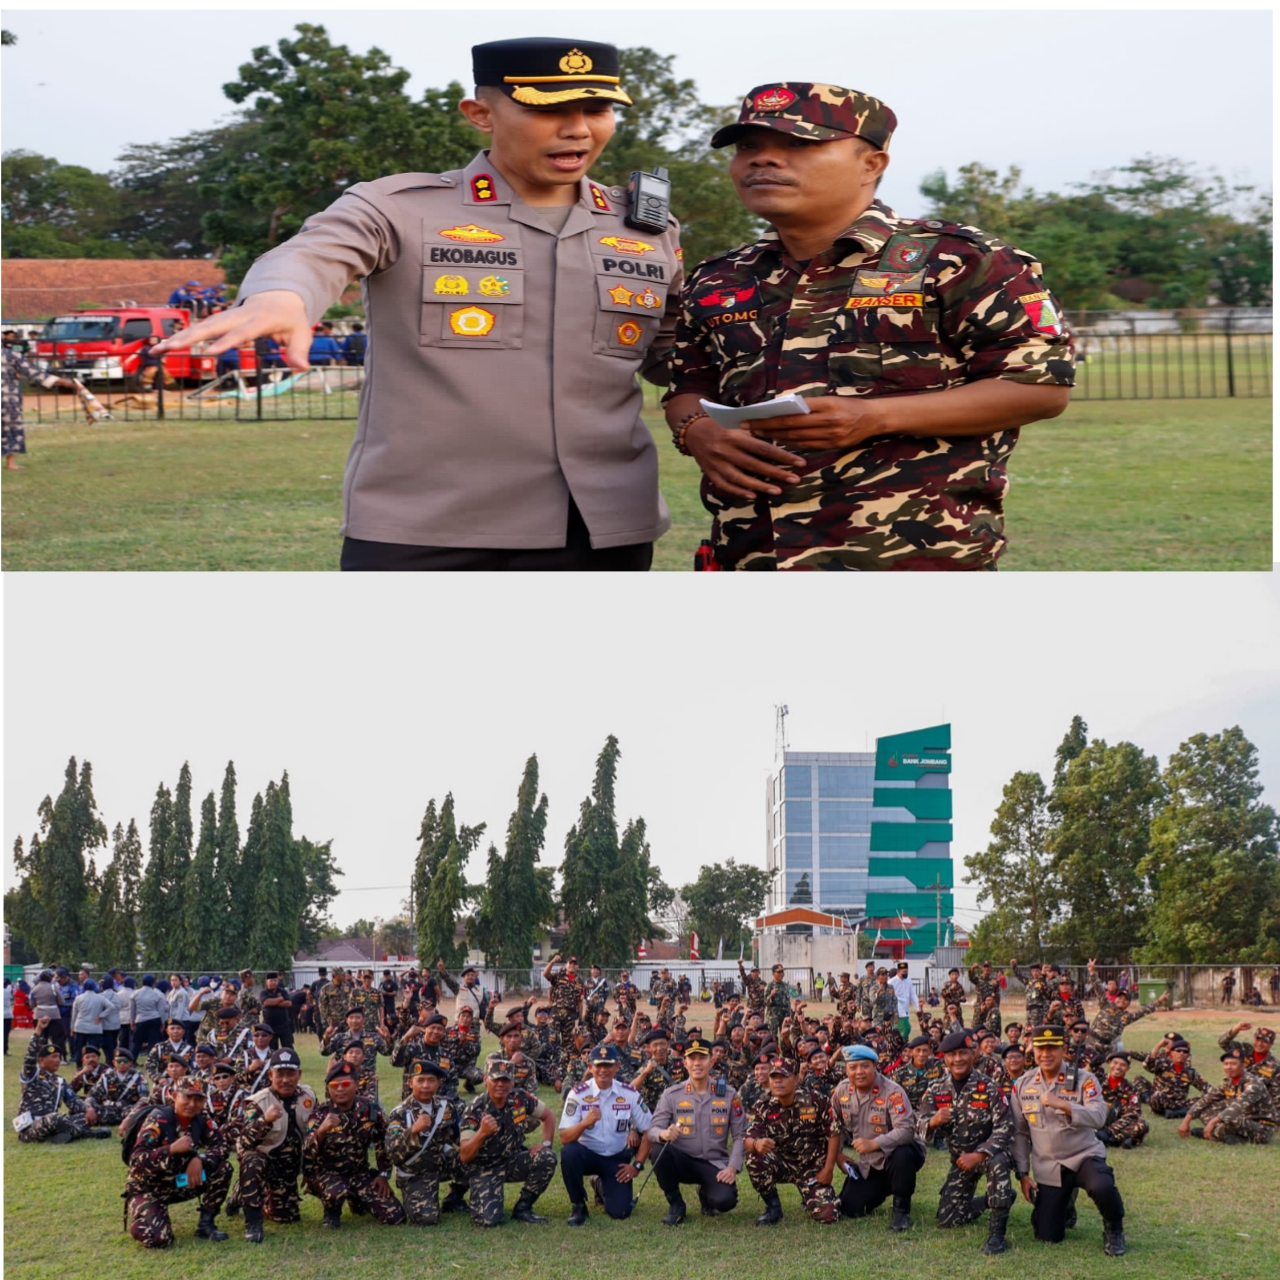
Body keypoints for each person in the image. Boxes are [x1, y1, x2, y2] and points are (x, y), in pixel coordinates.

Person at [154, 38, 680, 572]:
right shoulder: (399, 209)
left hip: (602, 526)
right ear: (480, 114)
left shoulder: (644, 229)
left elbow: (676, 356)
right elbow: (314, 253)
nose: (578, 129)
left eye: (597, 109)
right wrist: (281, 295)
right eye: (547, 110)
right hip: (427, 525)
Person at [663, 82, 1073, 570]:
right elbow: (687, 386)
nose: (763, 159)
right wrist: (696, 430)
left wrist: (876, 416)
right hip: (750, 554)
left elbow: (1040, 388)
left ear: (872, 164)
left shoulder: (960, 260)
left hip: (913, 558)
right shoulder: (719, 277)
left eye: (799, 144)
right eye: (748, 146)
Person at [1011, 1024, 1126, 1255]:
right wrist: (1023, 1174)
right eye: (1040, 1048)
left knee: (1102, 1186)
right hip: (1050, 1166)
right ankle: (1064, 1204)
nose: (1046, 1054)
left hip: (1083, 1156)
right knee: (1047, 1235)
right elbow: (1020, 1133)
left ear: (1063, 1049)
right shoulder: (1023, 1084)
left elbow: (1099, 1116)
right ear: (1033, 1050)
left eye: (1052, 1048)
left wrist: (1064, 1105)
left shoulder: (1084, 1079)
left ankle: (1114, 1229)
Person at [917, 1030, 1015, 1254]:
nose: (958, 1059)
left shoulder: (989, 1087)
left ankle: (997, 1235)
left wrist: (980, 1154)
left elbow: (1005, 1127)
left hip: (987, 1155)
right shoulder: (936, 1089)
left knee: (998, 1162)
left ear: (973, 1054)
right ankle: (995, 1199)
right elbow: (919, 1124)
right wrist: (932, 1122)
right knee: (947, 1219)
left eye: (963, 1053)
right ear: (944, 1058)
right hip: (960, 1160)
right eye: (952, 1055)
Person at [646, 1035, 746, 1223]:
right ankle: (676, 1203)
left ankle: (706, 1193)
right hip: (683, 1160)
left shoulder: (729, 1094)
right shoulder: (671, 1095)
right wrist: (663, 1133)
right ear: (685, 1063)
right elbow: (653, 1130)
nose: (697, 1063)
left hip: (714, 1163)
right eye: (692, 1058)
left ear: (711, 1061)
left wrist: (732, 1167)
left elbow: (740, 1135)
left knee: (725, 1201)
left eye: (702, 1058)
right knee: (659, 1149)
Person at [827, 1043, 926, 1231]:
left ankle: (901, 1210)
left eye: (865, 1066)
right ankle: (886, 1185)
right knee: (850, 1208)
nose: (859, 1072)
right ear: (846, 1069)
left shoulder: (892, 1091)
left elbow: (906, 1130)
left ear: (874, 1066)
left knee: (902, 1154)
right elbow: (833, 1126)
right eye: (853, 1067)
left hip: (900, 1155)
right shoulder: (842, 1091)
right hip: (870, 1163)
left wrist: (874, 1143)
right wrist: (838, 1155)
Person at [125, 1076, 233, 1247]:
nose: (192, 1104)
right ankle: (145, 1218)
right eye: (187, 1097)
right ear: (174, 1095)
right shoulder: (159, 1119)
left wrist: (200, 1159)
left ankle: (206, 1224)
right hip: (149, 1188)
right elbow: (136, 1160)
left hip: (180, 1182)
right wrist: (170, 1149)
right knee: (158, 1239)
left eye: (198, 1099)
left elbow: (222, 1146)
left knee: (223, 1168)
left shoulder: (201, 1118)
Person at [457, 1053, 558, 1227]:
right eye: (496, 1080)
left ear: (512, 1081)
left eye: (506, 1080)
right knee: (488, 1221)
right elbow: (465, 1156)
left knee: (546, 1157)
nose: (501, 1085)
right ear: (486, 1079)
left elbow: (549, 1116)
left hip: (512, 1160)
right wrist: (481, 1133)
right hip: (485, 1167)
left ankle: (523, 1208)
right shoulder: (475, 1109)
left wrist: (545, 1144)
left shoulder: (519, 1098)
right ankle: (465, 1194)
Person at [558, 1042, 652, 1223]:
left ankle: (599, 1184)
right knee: (569, 1152)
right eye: (598, 1065)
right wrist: (584, 1123)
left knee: (620, 1212)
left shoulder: (629, 1093)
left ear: (617, 1066)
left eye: (608, 1065)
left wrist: (637, 1165)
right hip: (587, 1154)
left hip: (616, 1158)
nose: (603, 1070)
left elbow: (650, 1130)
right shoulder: (578, 1093)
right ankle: (578, 1206)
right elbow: (564, 1137)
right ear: (590, 1066)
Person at [304, 1060, 406, 1228]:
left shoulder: (369, 1110)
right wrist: (321, 1131)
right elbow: (306, 1153)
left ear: (357, 1085)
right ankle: (331, 1212)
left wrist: (383, 1174)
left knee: (395, 1216)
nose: (340, 1089)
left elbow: (382, 1142)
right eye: (334, 1085)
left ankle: (356, 1200)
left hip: (358, 1174)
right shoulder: (320, 1114)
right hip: (327, 1175)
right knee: (336, 1192)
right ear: (328, 1088)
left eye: (345, 1084)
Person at [744, 1054, 840, 1225]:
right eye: (774, 1077)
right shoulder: (763, 1105)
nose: (777, 1081)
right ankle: (773, 1208)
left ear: (795, 1079)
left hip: (812, 1168)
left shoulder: (815, 1100)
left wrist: (828, 1169)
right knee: (754, 1157)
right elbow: (748, 1139)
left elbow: (834, 1133)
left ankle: (809, 1196)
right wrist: (756, 1144)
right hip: (782, 1164)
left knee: (828, 1216)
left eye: (783, 1076)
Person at [235, 1046, 317, 1242]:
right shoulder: (257, 1102)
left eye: (291, 1074)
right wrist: (264, 1120)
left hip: (289, 1166)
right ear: (271, 1075)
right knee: (252, 1161)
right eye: (280, 1074)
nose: (285, 1080)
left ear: (299, 1074)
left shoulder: (308, 1096)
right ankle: (253, 1221)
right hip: (265, 1161)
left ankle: (245, 1193)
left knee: (286, 1217)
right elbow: (245, 1141)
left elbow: (314, 1129)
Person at [386, 1058, 465, 1225]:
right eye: (420, 1080)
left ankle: (455, 1197)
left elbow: (461, 1138)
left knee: (477, 1161)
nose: (426, 1086)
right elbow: (393, 1154)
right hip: (417, 1172)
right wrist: (413, 1131)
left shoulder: (446, 1106)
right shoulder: (400, 1113)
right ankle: (417, 1197)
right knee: (426, 1219)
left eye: (431, 1080)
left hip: (442, 1164)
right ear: (410, 1083)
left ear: (438, 1083)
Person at [16, 1020, 110, 1143]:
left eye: (59, 1057)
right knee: (55, 1118)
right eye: (54, 1057)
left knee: (83, 1117)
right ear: (42, 1061)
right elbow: (29, 1056)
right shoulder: (32, 1074)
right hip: (32, 1127)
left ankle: (55, 1137)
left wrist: (88, 1109)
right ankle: (86, 1134)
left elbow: (73, 1101)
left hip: (53, 1124)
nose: (58, 1060)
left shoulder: (59, 1081)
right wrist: (38, 1030)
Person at [1178, 1047, 1276, 1145]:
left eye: (1233, 1064)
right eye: (1226, 1064)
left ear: (1243, 1065)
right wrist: (1186, 1120)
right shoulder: (1228, 1082)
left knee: (1230, 1118)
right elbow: (1207, 1099)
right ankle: (1231, 1136)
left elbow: (1237, 1107)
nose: (1229, 1067)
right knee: (1206, 1111)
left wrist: (1212, 1123)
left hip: (1261, 1128)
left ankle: (1214, 1133)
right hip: (1242, 1121)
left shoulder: (1253, 1084)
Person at [3, 344, 79, 467]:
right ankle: (11, 463)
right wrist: (63, 382)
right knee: (11, 429)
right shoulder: (11, 355)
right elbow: (34, 373)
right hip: (7, 397)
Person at [1141, 1033, 1210, 1118]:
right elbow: (1147, 1065)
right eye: (1178, 1051)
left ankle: (1175, 1112)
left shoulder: (1190, 1072)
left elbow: (1208, 1089)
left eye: (1185, 1052)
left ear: (1188, 1055)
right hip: (1161, 1100)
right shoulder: (1163, 1064)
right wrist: (1159, 1045)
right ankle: (1182, 1112)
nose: (1181, 1053)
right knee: (1157, 1095)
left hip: (1179, 1103)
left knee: (1207, 1098)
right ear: (1172, 1053)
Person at [1216, 1022, 1279, 1109]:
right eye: (1257, 1039)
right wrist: (1236, 1029)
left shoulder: (1274, 1066)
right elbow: (1223, 1043)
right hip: (1230, 1098)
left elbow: (1276, 1096)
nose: (1259, 1044)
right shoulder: (1244, 1049)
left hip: (1254, 1107)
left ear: (1271, 1044)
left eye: (1264, 1042)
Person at [1097, 1051, 1150, 1148]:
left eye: (1123, 1065)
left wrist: (1110, 1131)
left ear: (1128, 1068)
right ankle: (1118, 1140)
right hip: (1096, 1123)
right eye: (1115, 1063)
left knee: (1142, 1125)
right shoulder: (1097, 1081)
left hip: (1116, 1127)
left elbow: (1133, 1113)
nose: (1118, 1067)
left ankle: (1110, 1140)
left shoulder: (1131, 1089)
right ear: (1109, 1063)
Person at [88, 1047, 151, 1124]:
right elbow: (92, 1095)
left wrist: (134, 1110)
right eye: (119, 1061)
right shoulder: (106, 1077)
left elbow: (144, 1098)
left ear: (131, 1063)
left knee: (142, 1111)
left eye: (125, 1061)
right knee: (89, 1107)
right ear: (114, 1062)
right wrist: (90, 1108)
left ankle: (126, 1119)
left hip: (129, 1109)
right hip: (109, 1109)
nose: (122, 1063)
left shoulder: (138, 1077)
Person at [888, 961, 918, 1040]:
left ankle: (901, 1044)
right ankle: (898, 1043)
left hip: (906, 1010)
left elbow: (913, 995)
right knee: (906, 1028)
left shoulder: (908, 980)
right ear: (898, 971)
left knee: (899, 1031)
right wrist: (893, 1013)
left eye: (906, 971)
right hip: (898, 1010)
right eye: (904, 972)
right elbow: (889, 999)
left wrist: (918, 1008)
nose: (905, 973)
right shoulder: (891, 982)